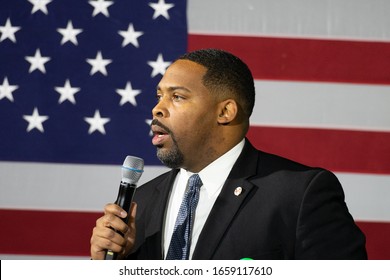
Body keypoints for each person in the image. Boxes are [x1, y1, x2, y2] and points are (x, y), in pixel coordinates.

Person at [90, 48, 367, 260]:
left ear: (225, 112)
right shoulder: (142, 201)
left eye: (177, 97)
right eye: (158, 96)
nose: (157, 109)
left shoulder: (299, 194)